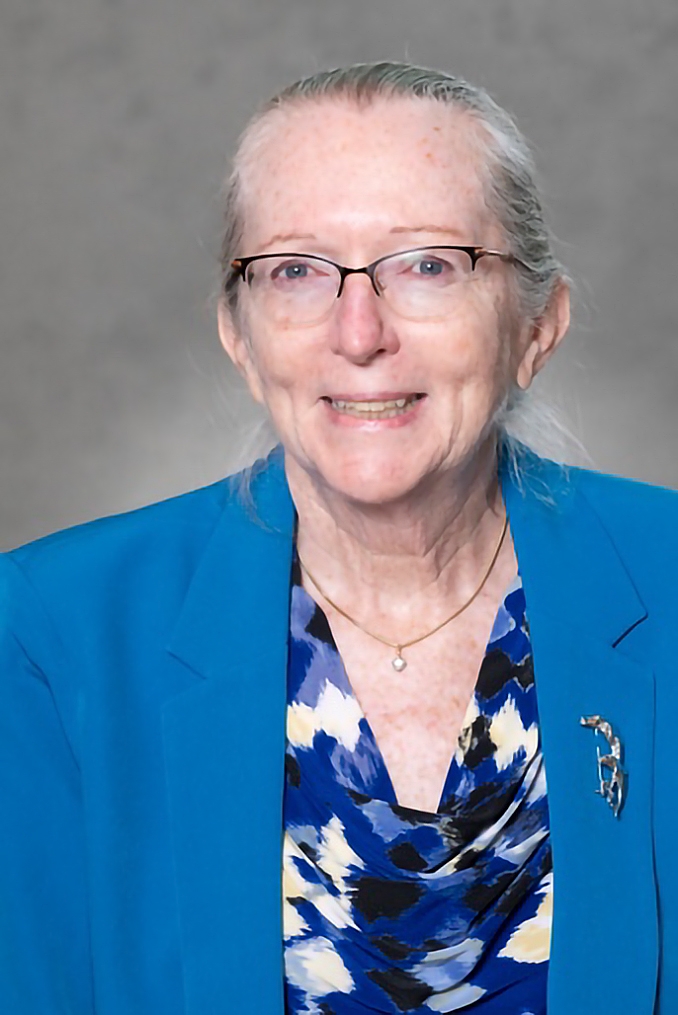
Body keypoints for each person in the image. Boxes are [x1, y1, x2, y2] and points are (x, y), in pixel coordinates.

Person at [0, 61, 675, 1015]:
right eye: (297, 270)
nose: (358, 333)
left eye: (428, 264)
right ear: (241, 337)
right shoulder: (50, 633)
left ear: (537, 325)